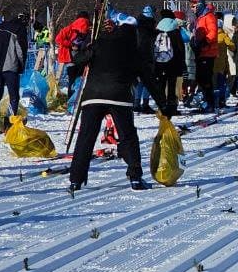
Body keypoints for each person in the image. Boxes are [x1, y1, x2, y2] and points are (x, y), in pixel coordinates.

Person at [69, 15, 159, 193]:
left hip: (93, 96)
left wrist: (85, 49)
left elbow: (78, 61)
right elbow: (147, 78)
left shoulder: (98, 44)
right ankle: (135, 177)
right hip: (120, 97)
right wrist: (164, 104)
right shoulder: (132, 50)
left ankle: (76, 180)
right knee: (128, 136)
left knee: (86, 137)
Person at [0, 12, 31, 133]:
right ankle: (9, 124)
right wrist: (21, 66)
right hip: (11, 67)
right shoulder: (20, 29)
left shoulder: (2, 26)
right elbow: (21, 50)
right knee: (14, 97)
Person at [153, 12, 186, 116]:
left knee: (161, 86)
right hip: (173, 63)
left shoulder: (157, 30)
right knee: (172, 86)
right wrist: (182, 63)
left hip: (159, 63)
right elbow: (181, 48)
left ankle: (161, 108)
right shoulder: (175, 30)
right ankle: (172, 108)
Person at [190, 0, 219, 113]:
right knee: (200, 78)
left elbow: (213, 32)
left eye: (193, 6)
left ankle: (210, 103)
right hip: (201, 51)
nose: (191, 8)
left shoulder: (209, 16)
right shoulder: (200, 17)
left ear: (199, 5)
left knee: (205, 78)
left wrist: (204, 42)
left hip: (208, 52)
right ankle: (206, 101)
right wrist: (194, 41)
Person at [55, 10, 92, 88]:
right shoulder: (69, 29)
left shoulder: (88, 28)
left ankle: (73, 92)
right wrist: (71, 44)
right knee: (75, 76)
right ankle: (73, 92)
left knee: (74, 77)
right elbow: (58, 39)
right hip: (71, 57)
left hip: (78, 57)